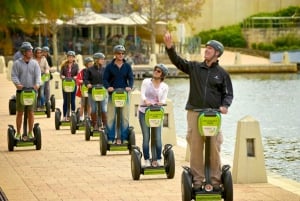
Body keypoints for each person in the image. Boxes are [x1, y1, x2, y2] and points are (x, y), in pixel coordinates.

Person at [163, 32, 234, 189]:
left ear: (217, 53)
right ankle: (196, 181)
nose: (206, 50)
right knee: (195, 147)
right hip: (195, 112)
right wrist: (170, 48)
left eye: (210, 49)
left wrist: (225, 106)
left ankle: (215, 182)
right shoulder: (195, 68)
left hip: (213, 115)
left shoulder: (222, 73)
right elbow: (178, 62)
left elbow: (228, 94)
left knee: (214, 147)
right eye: (206, 48)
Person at [138, 64, 169, 167]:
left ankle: (158, 158)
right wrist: (146, 101)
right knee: (146, 137)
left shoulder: (165, 86)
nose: (156, 71)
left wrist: (161, 102)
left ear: (162, 75)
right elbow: (142, 94)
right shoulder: (146, 82)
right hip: (144, 111)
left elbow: (164, 98)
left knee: (158, 138)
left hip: (156, 113)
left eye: (159, 71)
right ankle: (146, 159)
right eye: (155, 70)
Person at [103, 45, 134, 145]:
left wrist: (130, 86)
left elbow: (131, 78)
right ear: (115, 54)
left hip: (124, 94)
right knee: (111, 117)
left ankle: (124, 138)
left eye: (122, 53)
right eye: (119, 53)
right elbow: (104, 79)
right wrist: (108, 87)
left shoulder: (127, 66)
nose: (121, 55)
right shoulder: (109, 66)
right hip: (113, 94)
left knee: (124, 117)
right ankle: (111, 138)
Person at [11, 42, 41, 139]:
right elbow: (14, 75)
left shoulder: (35, 63)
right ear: (24, 52)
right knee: (20, 112)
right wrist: (17, 84)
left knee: (31, 112)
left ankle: (30, 132)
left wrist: (37, 84)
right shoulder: (17, 63)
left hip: (32, 92)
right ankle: (18, 133)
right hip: (21, 91)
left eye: (31, 50)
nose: (31, 52)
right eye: (29, 51)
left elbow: (38, 76)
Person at [84, 52, 107, 130]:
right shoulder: (89, 70)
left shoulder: (104, 69)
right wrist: (88, 84)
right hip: (92, 91)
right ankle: (95, 125)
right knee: (93, 108)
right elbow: (85, 79)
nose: (103, 60)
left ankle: (105, 125)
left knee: (103, 108)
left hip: (102, 91)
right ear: (97, 60)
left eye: (103, 59)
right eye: (101, 59)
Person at [60, 51, 79, 121]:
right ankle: (64, 116)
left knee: (72, 100)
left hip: (73, 84)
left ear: (74, 58)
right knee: (65, 100)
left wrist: (76, 77)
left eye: (72, 57)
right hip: (65, 84)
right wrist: (62, 76)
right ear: (67, 57)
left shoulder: (76, 65)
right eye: (69, 57)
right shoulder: (64, 65)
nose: (70, 58)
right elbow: (61, 74)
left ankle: (73, 115)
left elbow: (78, 74)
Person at [76, 57, 93, 122]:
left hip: (91, 90)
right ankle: (80, 118)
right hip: (84, 89)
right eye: (89, 63)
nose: (91, 64)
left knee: (89, 105)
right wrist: (80, 81)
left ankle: (88, 118)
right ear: (86, 64)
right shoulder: (83, 71)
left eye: (92, 63)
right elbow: (78, 79)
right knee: (83, 104)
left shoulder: (93, 71)